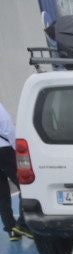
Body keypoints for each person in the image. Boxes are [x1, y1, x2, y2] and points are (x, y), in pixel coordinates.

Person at [0, 99, 25, 242]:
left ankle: (11, 229)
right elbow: (8, 128)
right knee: (24, 185)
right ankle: (22, 224)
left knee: (2, 193)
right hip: (5, 151)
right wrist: (17, 150)